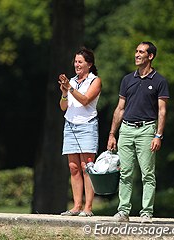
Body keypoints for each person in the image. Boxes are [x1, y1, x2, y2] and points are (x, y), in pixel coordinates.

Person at [107, 42, 169, 223]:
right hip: (126, 129)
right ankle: (123, 211)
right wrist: (112, 133)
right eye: (136, 51)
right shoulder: (127, 79)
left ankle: (146, 212)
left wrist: (158, 135)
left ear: (150, 56)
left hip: (147, 129)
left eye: (141, 52)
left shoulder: (159, 81)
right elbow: (119, 109)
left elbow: (162, 111)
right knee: (125, 172)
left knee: (147, 174)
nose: (137, 55)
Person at [58, 47, 102, 217]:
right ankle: (76, 206)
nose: (76, 65)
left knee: (87, 167)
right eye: (75, 61)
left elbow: (85, 101)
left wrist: (69, 88)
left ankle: (88, 208)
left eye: (80, 62)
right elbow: (63, 107)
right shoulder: (72, 81)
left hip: (87, 125)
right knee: (73, 167)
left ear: (89, 64)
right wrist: (64, 92)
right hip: (70, 125)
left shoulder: (95, 81)